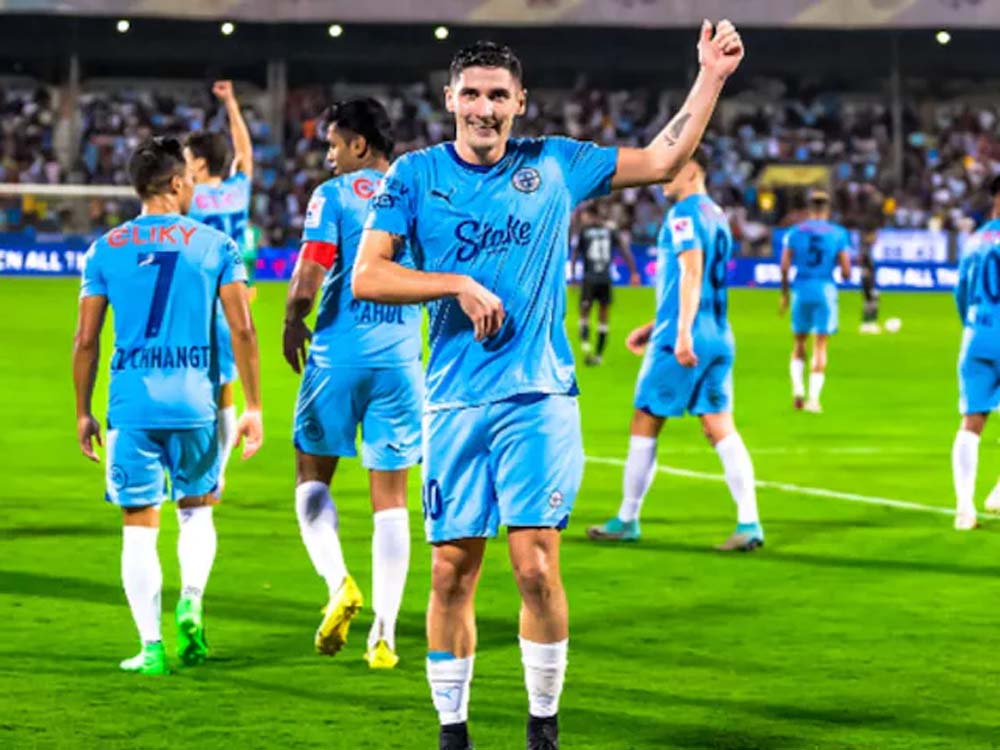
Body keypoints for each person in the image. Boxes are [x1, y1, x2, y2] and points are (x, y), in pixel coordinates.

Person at [353, 22, 745, 750]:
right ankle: (453, 734)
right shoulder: (413, 175)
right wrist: (455, 283)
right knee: (449, 571)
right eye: (472, 94)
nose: (485, 108)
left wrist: (711, 76)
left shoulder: (557, 163)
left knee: (534, 563)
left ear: (520, 102)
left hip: (538, 396)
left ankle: (542, 728)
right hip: (454, 399)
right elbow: (368, 274)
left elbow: (663, 158)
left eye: (498, 95)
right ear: (450, 99)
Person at [72, 137, 263, 675]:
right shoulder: (216, 245)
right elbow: (243, 329)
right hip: (195, 404)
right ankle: (192, 601)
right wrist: (252, 404)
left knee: (139, 524)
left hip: (131, 406)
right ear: (177, 183)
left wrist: (83, 411)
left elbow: (85, 341)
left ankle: (151, 647)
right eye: (191, 181)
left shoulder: (104, 249)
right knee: (196, 511)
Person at [283, 98, 421, 668]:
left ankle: (339, 582)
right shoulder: (418, 192)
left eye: (334, 145)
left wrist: (293, 318)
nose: (329, 156)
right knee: (391, 500)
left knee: (310, 477)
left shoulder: (334, 195)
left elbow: (311, 270)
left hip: (338, 356)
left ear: (359, 145)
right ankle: (384, 635)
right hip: (401, 363)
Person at [586, 147, 763, 550]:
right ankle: (749, 522)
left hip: (685, 337)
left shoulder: (683, 215)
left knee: (645, 419)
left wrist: (679, 333)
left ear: (694, 170)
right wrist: (656, 326)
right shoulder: (717, 215)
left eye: (673, 167)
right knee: (719, 425)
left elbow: (691, 271)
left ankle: (627, 518)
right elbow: (705, 282)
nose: (663, 174)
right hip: (718, 333)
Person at [184, 80, 254, 493]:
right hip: (232, 301)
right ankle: (217, 471)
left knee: (191, 382)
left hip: (196, 301)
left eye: (187, 158)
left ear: (198, 163)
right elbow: (244, 152)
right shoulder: (236, 192)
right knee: (223, 388)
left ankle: (198, 467)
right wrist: (231, 104)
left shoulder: (186, 200)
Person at [953, 176, 1000, 530]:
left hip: (977, 334)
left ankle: (964, 509)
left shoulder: (975, 240)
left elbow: (961, 292)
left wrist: (972, 326)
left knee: (971, 422)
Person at [779, 190, 851, 412]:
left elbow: (784, 266)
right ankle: (813, 399)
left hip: (801, 289)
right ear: (827, 209)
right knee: (820, 344)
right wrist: (839, 271)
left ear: (809, 209)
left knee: (799, 343)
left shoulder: (794, 232)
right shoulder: (838, 234)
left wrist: (784, 294)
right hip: (825, 289)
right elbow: (846, 271)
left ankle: (797, 391)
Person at [570, 202, 640, 365]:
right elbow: (624, 250)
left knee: (584, 311)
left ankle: (586, 346)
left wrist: (573, 275)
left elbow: (575, 254)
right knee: (603, 315)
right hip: (605, 278)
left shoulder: (584, 231)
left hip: (589, 278)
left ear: (589, 215)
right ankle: (599, 354)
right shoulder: (610, 230)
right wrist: (633, 272)